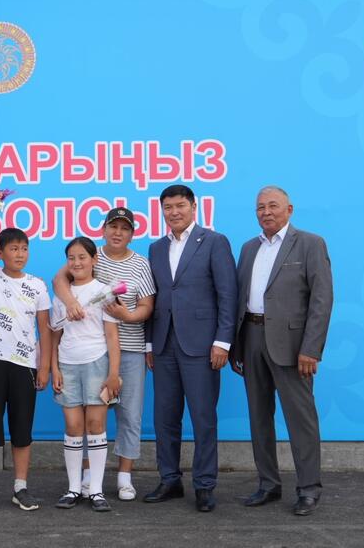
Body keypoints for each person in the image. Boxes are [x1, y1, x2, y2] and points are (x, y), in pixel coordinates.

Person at [230, 186, 333, 516]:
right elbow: (240, 299)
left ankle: (308, 489)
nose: (266, 212)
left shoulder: (310, 243)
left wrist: (311, 349)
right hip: (252, 338)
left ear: (289, 209)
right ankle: (268, 485)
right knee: (259, 418)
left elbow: (321, 300)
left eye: (273, 206)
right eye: (260, 207)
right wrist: (237, 346)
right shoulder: (249, 248)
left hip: (293, 346)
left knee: (301, 420)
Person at [144, 184, 237, 512]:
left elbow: (228, 294)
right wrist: (149, 342)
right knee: (164, 418)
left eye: (180, 205)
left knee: (203, 418)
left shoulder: (214, 241)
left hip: (202, 345)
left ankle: (204, 484)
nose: (174, 212)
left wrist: (222, 341)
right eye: (168, 207)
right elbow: (152, 297)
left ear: (194, 207)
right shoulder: (156, 248)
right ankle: (169, 479)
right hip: (164, 344)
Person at [52, 208, 155, 501]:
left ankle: (124, 477)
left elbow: (147, 306)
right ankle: (85, 477)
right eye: (113, 226)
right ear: (104, 229)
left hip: (129, 347)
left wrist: (127, 315)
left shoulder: (141, 264)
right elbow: (59, 281)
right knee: (88, 419)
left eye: (124, 228)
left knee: (129, 414)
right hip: (88, 353)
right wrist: (71, 303)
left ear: (132, 233)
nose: (118, 232)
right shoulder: (87, 254)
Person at [0, 191, 52, 513]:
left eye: (24, 248)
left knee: (22, 429)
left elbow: (44, 329)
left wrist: (44, 367)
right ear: (0, 253)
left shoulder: (38, 285)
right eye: (13, 248)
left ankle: (20, 488)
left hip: (25, 365)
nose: (20, 254)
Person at [51, 237, 122, 512]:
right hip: (67, 364)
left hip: (97, 363)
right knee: (73, 427)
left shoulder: (104, 292)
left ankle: (96, 490)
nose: (77, 262)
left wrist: (113, 373)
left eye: (82, 257)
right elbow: (54, 336)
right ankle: (73, 488)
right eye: (71, 258)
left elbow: (112, 336)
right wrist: (54, 368)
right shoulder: (62, 295)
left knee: (95, 425)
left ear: (94, 260)